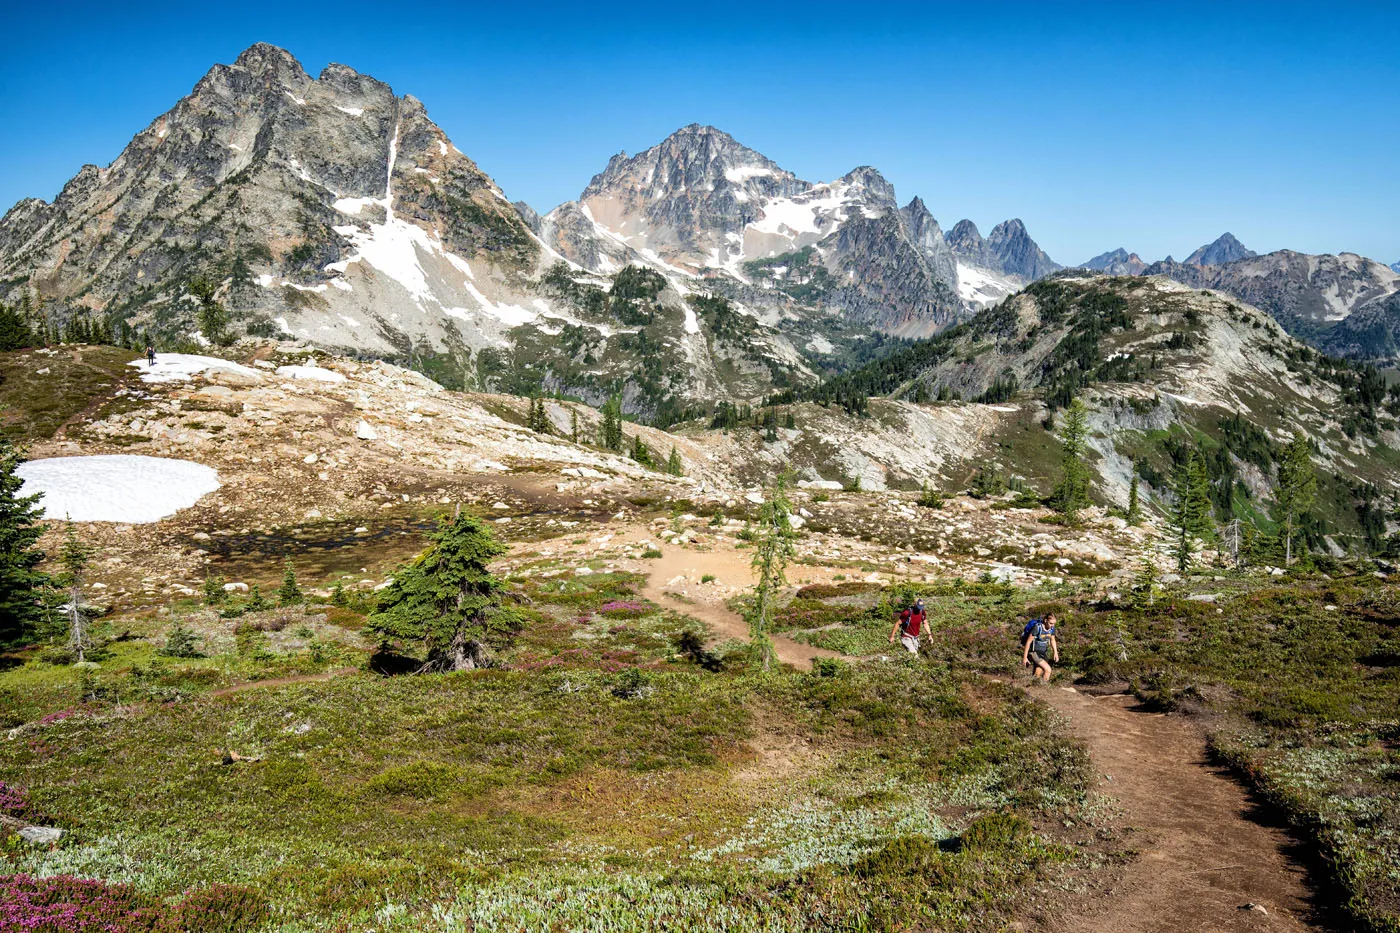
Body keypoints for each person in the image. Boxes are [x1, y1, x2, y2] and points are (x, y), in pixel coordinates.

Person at [1021, 613, 1059, 683]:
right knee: (1048, 670)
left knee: (1037, 673)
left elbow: (1053, 640)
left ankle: (1032, 688)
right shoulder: (1037, 627)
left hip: (1043, 652)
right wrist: (1025, 657)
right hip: (1034, 652)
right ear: (1045, 620)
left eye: (1054, 624)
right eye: (1051, 623)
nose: (1052, 625)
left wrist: (1055, 653)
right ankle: (1043, 687)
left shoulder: (1052, 629)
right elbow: (1028, 642)